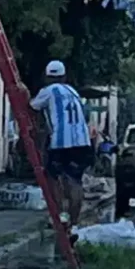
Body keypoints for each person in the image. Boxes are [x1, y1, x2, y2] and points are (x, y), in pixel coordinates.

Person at [30, 60, 94, 226]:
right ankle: (74, 223)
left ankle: (60, 215)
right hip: (82, 141)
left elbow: (32, 107)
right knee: (75, 180)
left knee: (52, 175)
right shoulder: (73, 92)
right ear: (64, 77)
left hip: (62, 141)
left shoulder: (48, 91)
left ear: (47, 76)